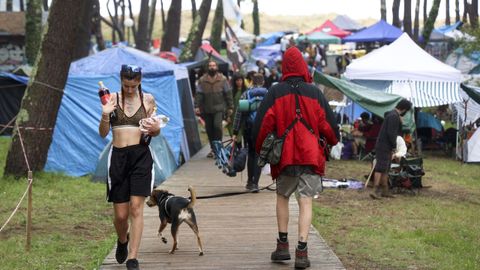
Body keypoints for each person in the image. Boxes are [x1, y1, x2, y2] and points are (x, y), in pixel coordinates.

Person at [253, 46, 339, 269]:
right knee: (306, 201)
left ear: (284, 66)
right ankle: (302, 251)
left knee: (282, 196)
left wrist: (258, 147)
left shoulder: (275, 91)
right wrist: (331, 139)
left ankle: (282, 247)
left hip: (285, 157)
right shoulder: (315, 93)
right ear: (302, 65)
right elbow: (329, 127)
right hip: (310, 155)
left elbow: (263, 125)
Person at [98, 64, 161, 270]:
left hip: (141, 157)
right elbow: (102, 133)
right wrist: (106, 114)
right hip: (118, 157)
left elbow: (154, 131)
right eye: (126, 85)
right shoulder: (112, 99)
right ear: (121, 81)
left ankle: (133, 258)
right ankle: (122, 240)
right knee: (121, 216)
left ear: (139, 81)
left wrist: (156, 129)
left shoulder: (148, 100)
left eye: (134, 86)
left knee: (136, 208)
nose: (130, 90)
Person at [232, 73, 268, 192]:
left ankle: (249, 181)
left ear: (252, 81)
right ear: (262, 82)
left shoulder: (245, 94)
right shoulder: (268, 94)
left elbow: (238, 114)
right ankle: (255, 184)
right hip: (262, 129)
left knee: (251, 153)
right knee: (258, 155)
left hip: (249, 128)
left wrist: (235, 131)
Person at [370, 99, 412, 199]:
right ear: (404, 109)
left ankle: (385, 190)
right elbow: (391, 133)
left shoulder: (392, 115)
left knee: (385, 168)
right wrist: (394, 146)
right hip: (385, 146)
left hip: (384, 145)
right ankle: (375, 190)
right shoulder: (394, 116)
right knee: (380, 168)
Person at [194, 60, 234, 158]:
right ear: (208, 68)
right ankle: (214, 149)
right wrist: (196, 106)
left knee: (217, 127)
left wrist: (230, 106)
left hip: (219, 108)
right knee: (209, 129)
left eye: (214, 65)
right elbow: (199, 94)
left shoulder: (223, 79)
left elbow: (228, 93)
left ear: (217, 67)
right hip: (206, 109)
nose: (212, 67)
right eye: (210, 66)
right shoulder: (202, 80)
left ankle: (219, 148)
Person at [227, 72, 247, 140]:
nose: (239, 82)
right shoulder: (231, 91)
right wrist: (227, 116)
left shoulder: (247, 91)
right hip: (234, 116)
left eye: (240, 80)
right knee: (235, 136)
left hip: (244, 116)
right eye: (237, 80)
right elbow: (228, 104)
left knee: (245, 135)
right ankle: (238, 149)